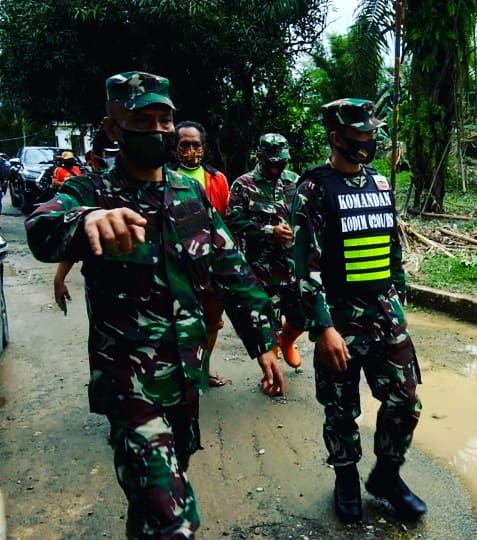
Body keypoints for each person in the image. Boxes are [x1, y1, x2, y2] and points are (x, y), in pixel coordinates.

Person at [25, 70, 284, 539]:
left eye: (165, 119)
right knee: (174, 520)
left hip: (185, 379)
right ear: (113, 127)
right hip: (130, 386)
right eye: (142, 119)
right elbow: (41, 227)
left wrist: (263, 340)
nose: (159, 130)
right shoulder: (92, 191)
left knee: (155, 501)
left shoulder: (191, 195)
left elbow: (232, 269)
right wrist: (87, 221)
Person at [292, 98, 426, 523]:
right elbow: (304, 266)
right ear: (337, 138)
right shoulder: (313, 189)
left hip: (384, 311)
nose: (367, 143)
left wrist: (399, 300)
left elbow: (391, 250)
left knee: (405, 400)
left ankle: (387, 475)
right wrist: (323, 328)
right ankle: (346, 477)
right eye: (358, 136)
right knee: (341, 406)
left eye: (371, 135)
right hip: (338, 316)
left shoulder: (381, 185)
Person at [225, 133, 304, 375]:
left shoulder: (294, 182)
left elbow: (307, 217)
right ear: (259, 157)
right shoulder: (243, 185)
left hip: (292, 265)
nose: (276, 168)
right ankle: (271, 373)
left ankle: (288, 341)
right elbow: (233, 220)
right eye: (271, 163)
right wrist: (269, 231)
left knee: (302, 316)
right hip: (261, 268)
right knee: (266, 321)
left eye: (281, 163)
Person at [170, 120, 231, 387]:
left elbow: (225, 223)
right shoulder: (163, 178)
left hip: (210, 266)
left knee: (211, 321)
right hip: (177, 267)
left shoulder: (217, 179)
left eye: (196, 145)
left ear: (203, 148)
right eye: (184, 145)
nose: (191, 151)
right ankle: (175, 374)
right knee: (176, 322)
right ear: (175, 148)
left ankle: (202, 369)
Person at [55, 131, 120, 314]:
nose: (114, 161)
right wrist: (59, 279)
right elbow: (72, 240)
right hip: (103, 286)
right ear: (94, 157)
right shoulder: (87, 189)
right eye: (110, 155)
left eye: (118, 154)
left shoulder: (144, 185)